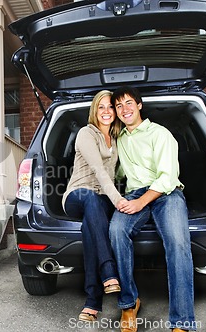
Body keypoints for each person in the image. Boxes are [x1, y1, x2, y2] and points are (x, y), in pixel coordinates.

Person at [109, 86, 196, 332]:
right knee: (116, 230)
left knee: (178, 243)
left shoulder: (160, 134)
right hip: (134, 193)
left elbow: (167, 177)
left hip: (166, 194)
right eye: (118, 106)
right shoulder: (120, 140)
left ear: (139, 105)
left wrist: (140, 202)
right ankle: (129, 303)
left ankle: (182, 322)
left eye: (128, 103)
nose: (124, 109)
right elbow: (115, 172)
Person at [62, 90, 126, 322]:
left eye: (111, 107)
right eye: (101, 107)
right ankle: (108, 270)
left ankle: (92, 302)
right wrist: (118, 199)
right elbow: (99, 171)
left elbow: (117, 172)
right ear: (94, 111)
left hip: (100, 200)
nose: (106, 111)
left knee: (90, 227)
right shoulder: (86, 133)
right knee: (90, 201)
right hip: (77, 195)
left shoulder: (119, 138)